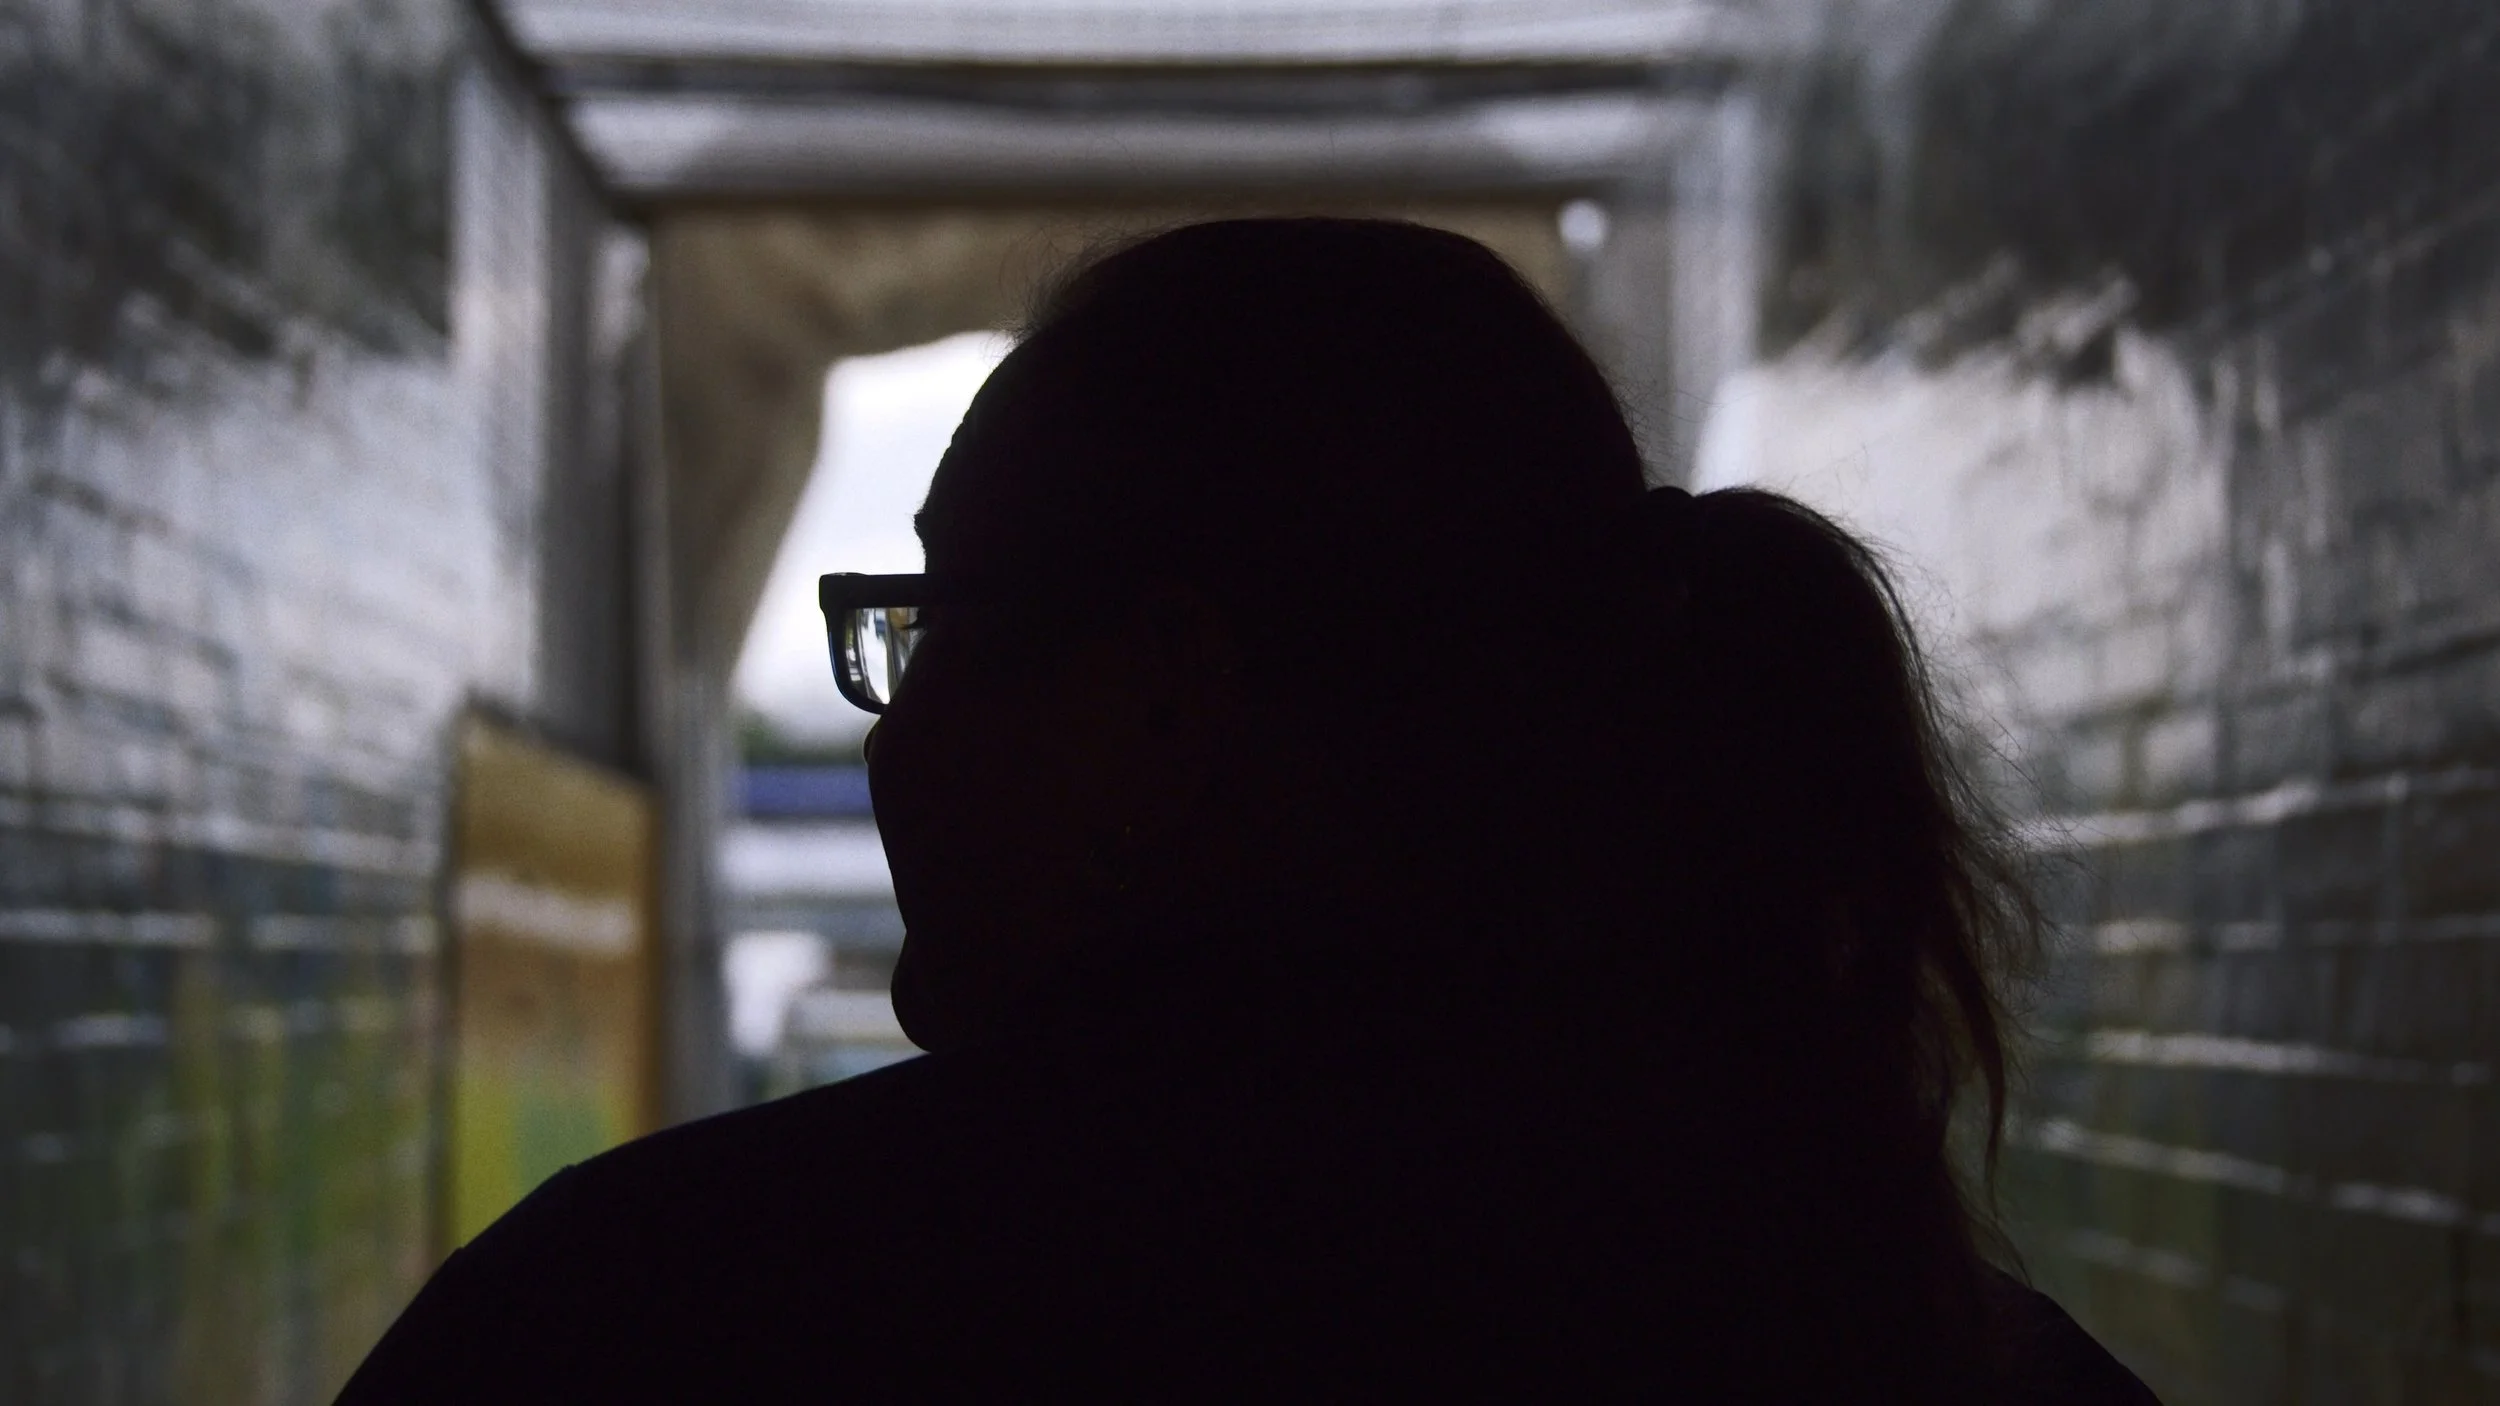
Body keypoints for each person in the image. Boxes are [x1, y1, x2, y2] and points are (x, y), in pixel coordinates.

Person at [338, 218, 2156, 1402]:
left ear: (1169, 689)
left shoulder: (651, 1319)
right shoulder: (1918, 1341)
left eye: (937, 630)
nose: (892, 741)